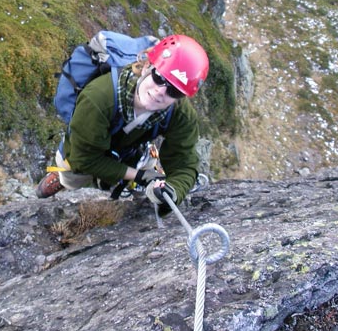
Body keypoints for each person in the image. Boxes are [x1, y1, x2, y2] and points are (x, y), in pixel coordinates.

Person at [35, 34, 209, 214]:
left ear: (181, 96)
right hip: (86, 147)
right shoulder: (98, 98)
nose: (160, 91)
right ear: (147, 67)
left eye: (174, 90)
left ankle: (127, 182)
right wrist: (140, 176)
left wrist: (172, 192)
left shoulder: (179, 112)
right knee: (73, 176)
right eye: (159, 78)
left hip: (131, 146)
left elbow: (184, 163)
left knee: (140, 166)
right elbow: (85, 159)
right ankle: (61, 179)